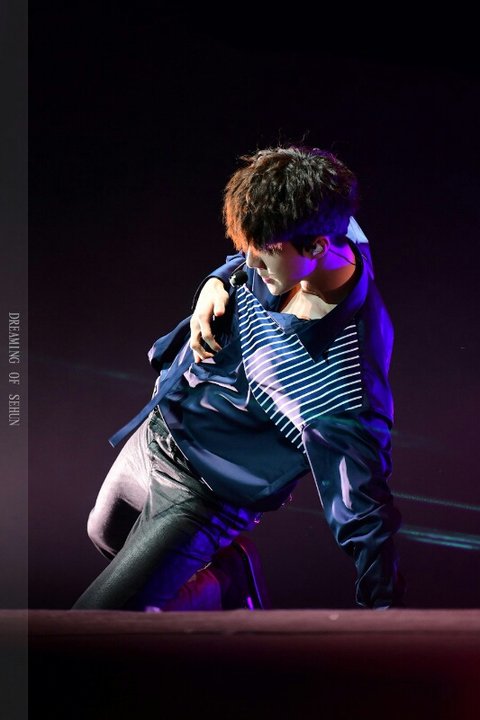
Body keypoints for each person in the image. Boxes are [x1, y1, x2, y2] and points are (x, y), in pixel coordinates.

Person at [73, 145, 406, 612]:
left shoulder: (342, 380)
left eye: (263, 255)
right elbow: (252, 252)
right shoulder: (324, 228)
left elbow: (364, 510)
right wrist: (215, 280)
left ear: (317, 247)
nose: (249, 264)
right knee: (105, 535)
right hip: (161, 429)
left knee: (98, 623)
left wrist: (385, 620)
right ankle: (229, 568)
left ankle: (225, 583)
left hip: (204, 494)